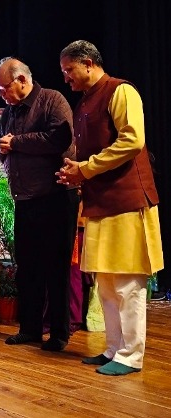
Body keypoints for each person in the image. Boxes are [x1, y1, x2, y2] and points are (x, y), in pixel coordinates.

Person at [58, 40, 164, 375]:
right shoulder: (85, 101)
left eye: (69, 70)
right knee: (104, 282)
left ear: (88, 63)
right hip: (101, 202)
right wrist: (75, 171)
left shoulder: (121, 91)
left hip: (127, 200)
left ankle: (131, 356)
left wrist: (86, 168)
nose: (66, 78)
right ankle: (113, 348)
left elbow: (132, 140)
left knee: (126, 283)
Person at [0, 57, 74, 351]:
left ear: (22, 80)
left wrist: (16, 143)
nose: (1, 94)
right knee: (28, 268)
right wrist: (3, 148)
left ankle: (59, 334)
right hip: (24, 200)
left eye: (3, 88)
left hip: (56, 197)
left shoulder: (52, 100)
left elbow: (58, 139)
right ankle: (30, 329)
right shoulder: (10, 112)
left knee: (56, 268)